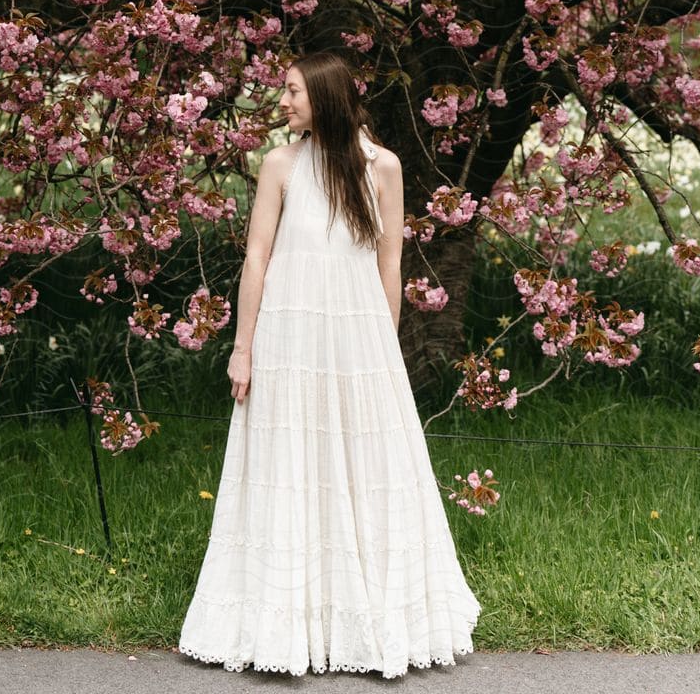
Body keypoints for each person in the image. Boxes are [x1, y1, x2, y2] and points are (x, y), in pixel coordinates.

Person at [177, 49, 481, 677]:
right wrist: (243, 347)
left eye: (292, 91)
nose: (282, 102)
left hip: (358, 340)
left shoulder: (384, 168)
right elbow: (257, 257)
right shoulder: (279, 165)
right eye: (283, 91)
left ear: (326, 97)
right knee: (291, 466)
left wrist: (385, 350)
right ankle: (290, 625)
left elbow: (389, 264)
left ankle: (368, 619)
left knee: (367, 467)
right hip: (288, 340)